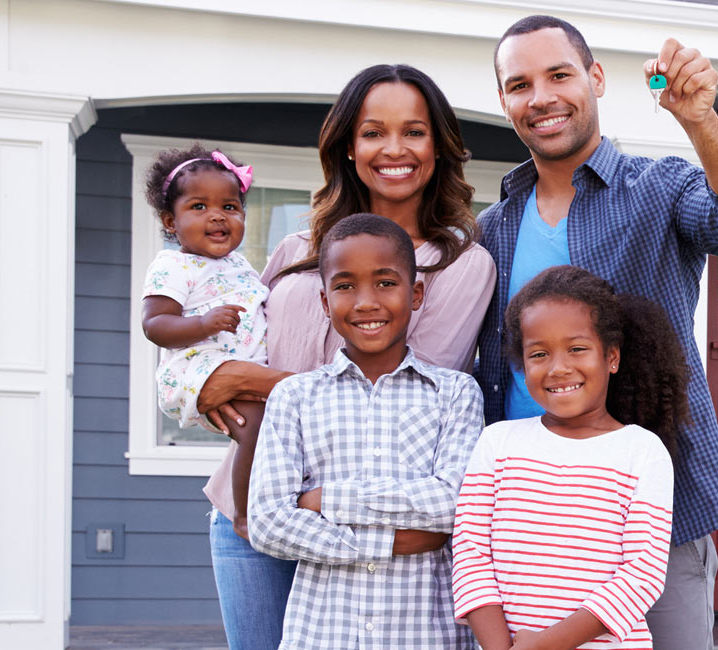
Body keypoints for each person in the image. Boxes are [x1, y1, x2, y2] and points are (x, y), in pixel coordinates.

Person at [474, 16, 718, 647]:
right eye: (520, 85)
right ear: (504, 101)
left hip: (649, 520)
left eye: (559, 75)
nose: (541, 98)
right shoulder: (491, 229)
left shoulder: (658, 189)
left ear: (595, 78)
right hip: (523, 520)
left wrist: (699, 120)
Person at [196, 64, 496, 650]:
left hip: (378, 521)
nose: (394, 149)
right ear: (349, 147)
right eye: (373, 132)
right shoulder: (295, 250)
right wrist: (211, 383)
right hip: (249, 506)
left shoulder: (460, 264)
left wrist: (249, 380)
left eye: (414, 132)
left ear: (438, 146)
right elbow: (230, 360)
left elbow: (402, 388)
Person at [247, 214, 482, 649]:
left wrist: (327, 500)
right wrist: (390, 543)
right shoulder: (294, 397)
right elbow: (268, 523)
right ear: (324, 301)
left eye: (385, 283)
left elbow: (454, 504)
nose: (366, 302)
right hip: (322, 634)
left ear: (415, 294)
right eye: (345, 286)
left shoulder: (455, 393)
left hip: (425, 636)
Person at [454, 265, 687, 650]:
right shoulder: (497, 443)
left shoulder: (643, 453)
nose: (558, 368)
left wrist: (542, 646)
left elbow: (642, 575)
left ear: (612, 357)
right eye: (539, 353)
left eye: (577, 349)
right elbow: (470, 555)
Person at [137, 144, 270, 547]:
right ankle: (243, 514)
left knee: (270, 426)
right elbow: (155, 324)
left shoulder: (240, 266)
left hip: (237, 364)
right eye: (199, 206)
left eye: (230, 207)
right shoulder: (172, 266)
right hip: (196, 364)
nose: (217, 215)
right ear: (170, 221)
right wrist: (202, 324)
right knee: (254, 428)